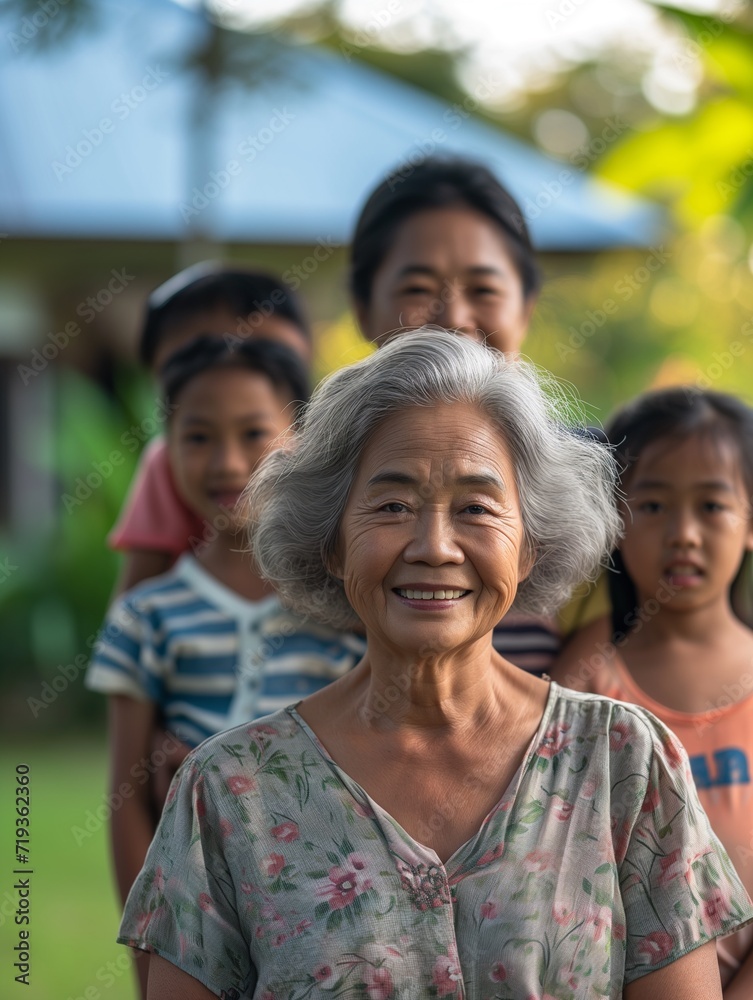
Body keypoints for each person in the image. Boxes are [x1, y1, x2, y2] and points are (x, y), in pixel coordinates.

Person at [119, 332, 752, 999]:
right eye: (392, 506)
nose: (433, 546)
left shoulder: (625, 761)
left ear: (529, 545)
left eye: (476, 507)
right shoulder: (227, 791)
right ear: (331, 542)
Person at [86, 338, 354, 999]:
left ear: (298, 438)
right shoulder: (145, 618)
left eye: (254, 433)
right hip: (196, 917)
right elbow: (124, 804)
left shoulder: (344, 610)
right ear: (165, 448)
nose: (227, 461)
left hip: (334, 914)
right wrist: (148, 949)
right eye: (197, 436)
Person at [348, 155, 589, 675]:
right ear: (362, 306)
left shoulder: (597, 487)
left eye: (483, 290)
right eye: (417, 289)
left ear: (525, 307)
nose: (453, 318)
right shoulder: (311, 482)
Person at [551, 387, 753, 997]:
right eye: (655, 505)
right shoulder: (590, 671)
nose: (683, 533)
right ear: (613, 520)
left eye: (712, 506)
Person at [110, 262, 313, 596]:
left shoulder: (334, 456)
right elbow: (130, 609)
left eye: (259, 352)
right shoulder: (167, 464)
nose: (226, 366)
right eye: (198, 354)